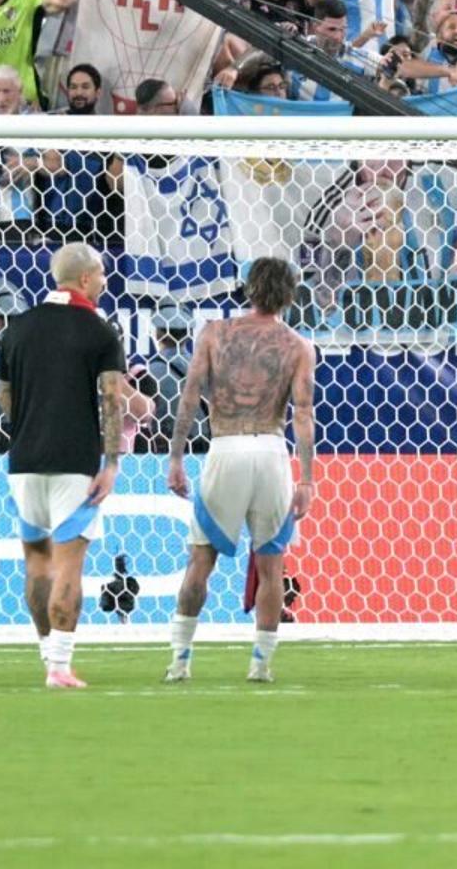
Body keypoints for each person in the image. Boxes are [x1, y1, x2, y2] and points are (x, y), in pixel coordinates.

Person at [159, 255, 316, 686]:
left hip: (225, 447)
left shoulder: (214, 334)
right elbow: (303, 414)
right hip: (270, 450)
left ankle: (180, 660)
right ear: (289, 295)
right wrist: (306, 479)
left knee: (200, 561)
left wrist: (175, 458)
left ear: (247, 289)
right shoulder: (298, 346)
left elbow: (189, 397)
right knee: (271, 566)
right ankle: (261, 665)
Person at [0, 240, 132, 690]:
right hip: (75, 461)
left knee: (36, 562)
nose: (106, 282)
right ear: (87, 278)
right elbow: (112, 400)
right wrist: (111, 463)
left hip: (24, 460)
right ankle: (60, 667)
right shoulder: (99, 331)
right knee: (69, 566)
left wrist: (30, 425)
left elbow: (4, 399)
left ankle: (46, 657)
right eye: (104, 274)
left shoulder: (17, 329)